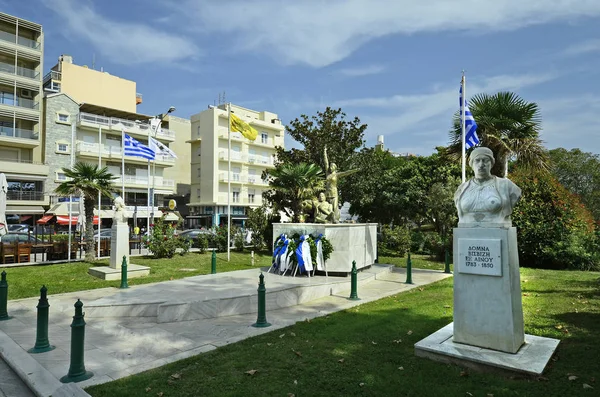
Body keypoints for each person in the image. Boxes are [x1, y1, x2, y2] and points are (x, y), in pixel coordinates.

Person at [454, 147, 521, 227]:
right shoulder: (462, 189)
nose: (481, 165)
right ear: (471, 164)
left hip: (498, 232)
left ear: (492, 163)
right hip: (466, 232)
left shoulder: (507, 185)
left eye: (485, 160)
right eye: (477, 160)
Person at [324, 147, 359, 223]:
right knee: (327, 208)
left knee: (334, 207)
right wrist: (324, 151)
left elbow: (346, 172)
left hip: (334, 193)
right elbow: (326, 162)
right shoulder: (328, 173)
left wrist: (354, 170)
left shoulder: (336, 175)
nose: (330, 167)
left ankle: (335, 219)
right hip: (327, 192)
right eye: (330, 166)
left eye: (332, 166)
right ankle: (329, 220)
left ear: (335, 168)